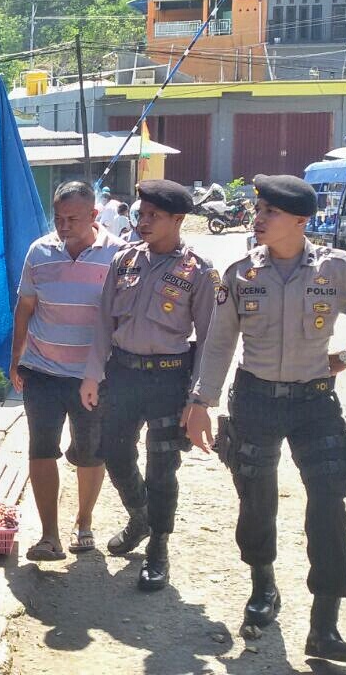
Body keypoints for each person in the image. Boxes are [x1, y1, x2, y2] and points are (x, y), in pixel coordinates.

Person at [183, 174, 346, 662]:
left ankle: (325, 623)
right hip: (255, 399)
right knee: (256, 500)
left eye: (269, 211)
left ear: (300, 221)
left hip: (314, 401)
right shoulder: (240, 272)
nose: (258, 217)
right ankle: (263, 587)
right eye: (258, 208)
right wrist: (201, 402)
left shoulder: (337, 267)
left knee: (329, 505)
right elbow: (220, 341)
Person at [80, 179, 218, 591]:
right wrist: (92, 373)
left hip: (167, 377)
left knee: (163, 466)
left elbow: (210, 340)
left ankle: (158, 544)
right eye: (141, 214)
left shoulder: (199, 270)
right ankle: (139, 514)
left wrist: (198, 399)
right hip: (122, 373)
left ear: (178, 219)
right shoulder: (124, 261)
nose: (144, 222)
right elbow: (104, 322)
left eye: (155, 216)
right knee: (114, 452)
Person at [11, 180, 126, 561]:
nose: (63, 226)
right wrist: (16, 359)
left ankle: (84, 522)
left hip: (93, 376)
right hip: (41, 371)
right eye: (58, 218)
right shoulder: (39, 252)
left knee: (90, 452)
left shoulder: (118, 255)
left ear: (95, 215)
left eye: (72, 219)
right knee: (41, 451)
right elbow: (25, 309)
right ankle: (48, 535)